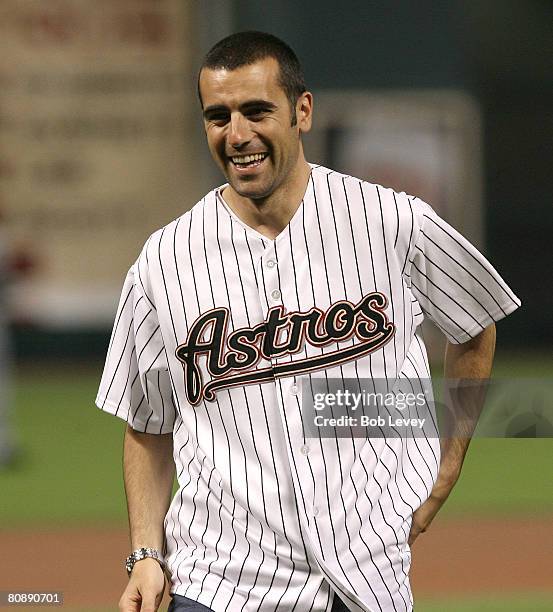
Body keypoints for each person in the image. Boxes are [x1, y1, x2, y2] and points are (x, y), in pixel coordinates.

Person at [96, 31, 520, 612]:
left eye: (256, 110)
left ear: (302, 111)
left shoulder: (391, 221)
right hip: (217, 582)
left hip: (364, 576)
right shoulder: (163, 261)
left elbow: (475, 321)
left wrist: (446, 468)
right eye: (217, 116)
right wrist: (144, 554)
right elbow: (146, 425)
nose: (237, 134)